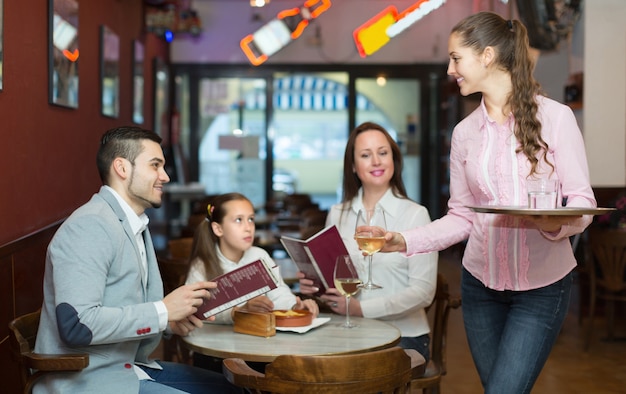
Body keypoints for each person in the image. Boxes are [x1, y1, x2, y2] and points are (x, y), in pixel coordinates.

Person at [380, 12, 596, 394]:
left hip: (542, 288)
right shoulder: (464, 133)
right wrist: (404, 241)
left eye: (456, 58)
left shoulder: (557, 118)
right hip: (480, 286)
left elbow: (582, 199)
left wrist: (555, 224)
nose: (450, 69)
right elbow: (461, 216)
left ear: (488, 55)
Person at [34, 126, 239, 394]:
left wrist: (168, 322)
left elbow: (121, 303)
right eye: (155, 165)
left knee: (232, 387)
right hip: (87, 382)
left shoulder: (134, 224)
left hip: (128, 369)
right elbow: (78, 325)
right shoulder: (90, 226)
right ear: (122, 168)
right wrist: (162, 312)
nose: (164, 176)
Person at [297, 121, 438, 361]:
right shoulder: (338, 213)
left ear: (394, 159)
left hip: (403, 336)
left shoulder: (416, 214)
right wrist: (316, 286)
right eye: (365, 155)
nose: (376, 161)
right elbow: (337, 281)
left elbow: (423, 292)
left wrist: (363, 309)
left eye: (383, 153)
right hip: (347, 330)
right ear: (353, 166)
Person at [185, 192, 319, 368]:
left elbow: (279, 294)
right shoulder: (202, 265)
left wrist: (295, 307)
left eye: (251, 219)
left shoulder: (259, 255)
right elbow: (193, 311)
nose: (248, 227)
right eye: (238, 220)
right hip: (215, 355)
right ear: (218, 229)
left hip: (258, 350)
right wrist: (239, 311)